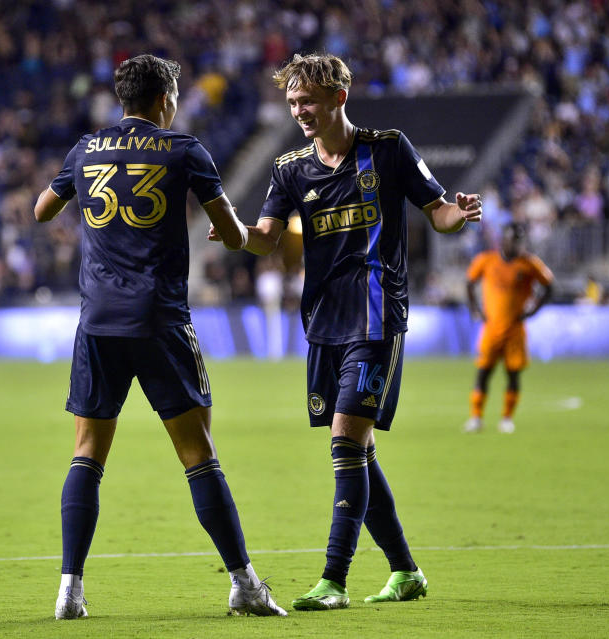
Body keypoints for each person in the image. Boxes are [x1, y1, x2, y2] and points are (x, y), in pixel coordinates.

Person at [209, 53, 482, 611]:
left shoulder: (388, 148)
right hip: (324, 322)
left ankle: (333, 580)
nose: (299, 110)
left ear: (338, 97)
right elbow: (264, 237)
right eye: (291, 102)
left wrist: (459, 212)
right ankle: (406, 570)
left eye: (306, 100)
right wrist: (235, 232)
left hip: (377, 316)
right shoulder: (290, 169)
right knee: (359, 450)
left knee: (344, 443)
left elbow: (438, 213)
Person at [34, 54, 286, 620]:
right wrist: (248, 236)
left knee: (87, 453)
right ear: (166, 98)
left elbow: (42, 210)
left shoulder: (85, 148)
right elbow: (229, 232)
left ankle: (69, 591)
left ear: (122, 100)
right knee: (199, 455)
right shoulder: (184, 150)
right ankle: (244, 584)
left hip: (98, 320)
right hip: (159, 319)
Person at [464, 223, 553, 434]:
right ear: (503, 240)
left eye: (520, 240)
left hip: (515, 330)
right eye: (514, 239)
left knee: (513, 374)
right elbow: (469, 283)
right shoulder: (486, 260)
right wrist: (475, 309)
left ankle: (507, 418)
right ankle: (476, 417)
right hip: (491, 329)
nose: (517, 244)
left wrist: (533, 311)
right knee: (483, 373)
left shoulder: (530, 264)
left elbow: (550, 287)